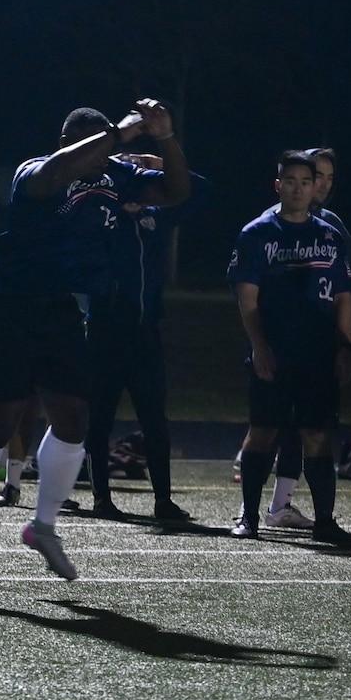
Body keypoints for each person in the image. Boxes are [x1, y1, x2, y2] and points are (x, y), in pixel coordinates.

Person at [0, 101, 188, 579]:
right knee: (3, 419)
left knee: (74, 418)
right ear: (67, 144)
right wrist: (116, 135)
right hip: (6, 300)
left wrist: (165, 138)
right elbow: (56, 173)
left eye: (104, 150)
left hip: (60, 304)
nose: (99, 159)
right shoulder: (36, 171)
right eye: (91, 147)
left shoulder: (114, 176)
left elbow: (177, 191)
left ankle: (43, 526)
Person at [226, 151, 351, 544]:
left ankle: (325, 522)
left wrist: (345, 347)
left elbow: (344, 297)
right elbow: (247, 300)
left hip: (318, 354)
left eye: (306, 182)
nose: (299, 189)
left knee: (317, 434)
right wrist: (260, 346)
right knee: (263, 430)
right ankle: (249, 516)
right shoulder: (257, 234)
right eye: (291, 181)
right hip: (275, 351)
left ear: (315, 187)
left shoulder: (330, 236)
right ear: (278, 185)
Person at [81, 158, 210, 522]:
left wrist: (159, 164)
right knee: (99, 420)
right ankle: (101, 498)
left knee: (154, 420)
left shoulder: (157, 216)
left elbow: (201, 188)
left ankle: (163, 501)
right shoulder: (101, 215)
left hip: (145, 334)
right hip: (105, 332)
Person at [256, 144, 351, 529]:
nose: (322, 184)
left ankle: (284, 506)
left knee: (307, 429)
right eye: (316, 175)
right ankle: (252, 511)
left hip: (317, 343)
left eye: (329, 177)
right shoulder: (269, 225)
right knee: (269, 427)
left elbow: (350, 280)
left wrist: (342, 339)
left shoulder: (330, 226)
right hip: (280, 342)